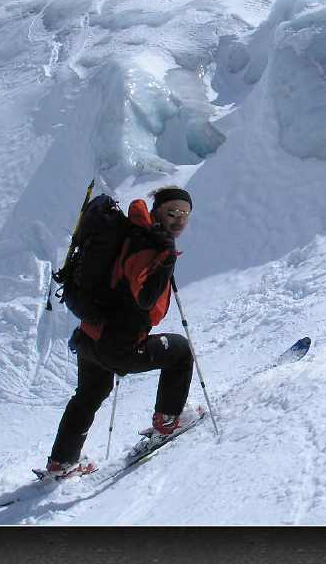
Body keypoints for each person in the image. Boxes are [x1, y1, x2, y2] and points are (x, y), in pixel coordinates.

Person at [43, 186, 196, 478]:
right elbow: (146, 299)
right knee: (180, 351)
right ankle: (168, 423)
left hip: (90, 337)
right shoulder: (151, 246)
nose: (178, 220)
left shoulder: (129, 232)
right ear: (157, 212)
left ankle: (61, 463)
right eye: (171, 212)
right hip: (119, 347)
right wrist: (166, 258)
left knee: (88, 395)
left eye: (184, 214)